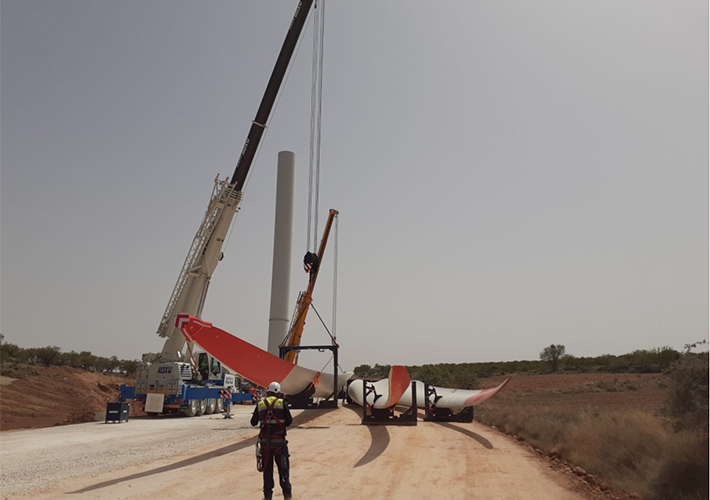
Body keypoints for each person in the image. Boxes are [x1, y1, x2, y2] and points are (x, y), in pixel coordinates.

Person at [251, 381, 293, 500]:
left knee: (267, 472)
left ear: (268, 392)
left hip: (265, 445)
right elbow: (289, 421)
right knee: (283, 469)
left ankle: (268, 496)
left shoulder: (261, 404)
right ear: (279, 394)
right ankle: (287, 495)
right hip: (279, 443)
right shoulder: (282, 403)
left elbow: (253, 422)